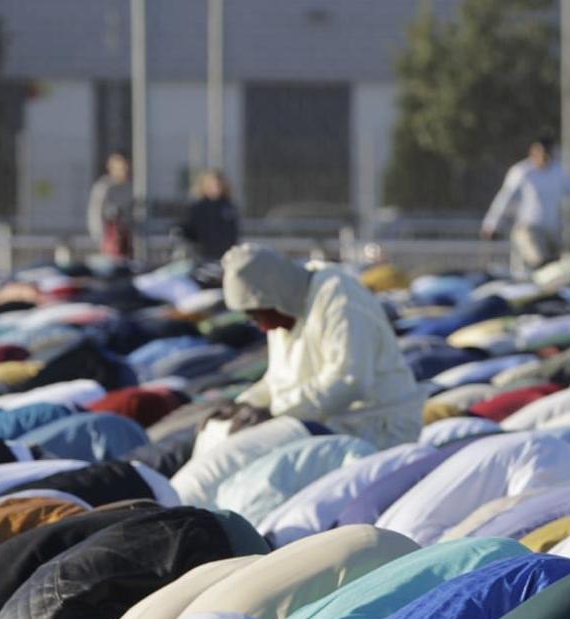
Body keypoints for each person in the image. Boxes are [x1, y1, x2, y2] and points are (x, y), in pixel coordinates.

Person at [221, 242, 422, 447]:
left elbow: (348, 381)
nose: (263, 328)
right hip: (332, 426)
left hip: (376, 430)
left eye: (259, 316)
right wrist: (245, 403)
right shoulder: (287, 305)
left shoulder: (340, 297)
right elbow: (279, 380)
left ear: (276, 297)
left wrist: (274, 412)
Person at [480, 136, 570, 272]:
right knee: (539, 260)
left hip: (552, 230)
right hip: (527, 228)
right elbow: (504, 197)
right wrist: (491, 223)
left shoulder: (560, 173)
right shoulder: (522, 171)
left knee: (557, 265)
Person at [175, 169, 240, 263]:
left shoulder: (228, 206)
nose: (217, 188)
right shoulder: (198, 207)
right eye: (213, 185)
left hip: (224, 255)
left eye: (219, 185)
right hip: (202, 255)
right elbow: (190, 228)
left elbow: (232, 232)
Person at [87, 152, 135, 260]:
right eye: (122, 167)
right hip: (110, 238)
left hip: (128, 237)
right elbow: (95, 214)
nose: (126, 170)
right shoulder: (104, 187)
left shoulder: (131, 186)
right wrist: (101, 238)